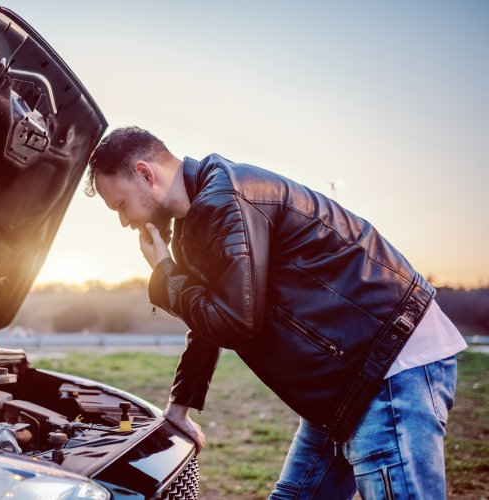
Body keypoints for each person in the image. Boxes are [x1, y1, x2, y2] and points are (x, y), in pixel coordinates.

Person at [85, 126, 467, 499]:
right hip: (345, 385)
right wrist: (179, 408)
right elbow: (209, 323)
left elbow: (235, 324)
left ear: (145, 173)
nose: (123, 220)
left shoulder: (226, 199)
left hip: (389, 365)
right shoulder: (195, 223)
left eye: (120, 204)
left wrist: (166, 276)